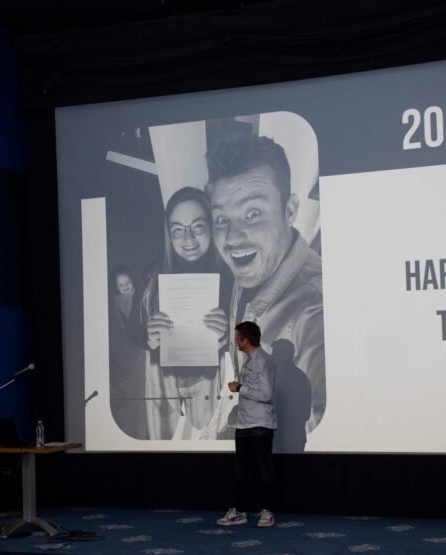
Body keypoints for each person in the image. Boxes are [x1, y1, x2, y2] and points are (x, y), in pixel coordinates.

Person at [206, 133, 325, 434]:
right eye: (221, 219)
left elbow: (322, 432)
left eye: (253, 214)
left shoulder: (315, 310)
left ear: (289, 211)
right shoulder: (250, 272)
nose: (232, 238)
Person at [131, 186, 231, 439]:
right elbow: (133, 328)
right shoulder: (152, 274)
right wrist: (148, 336)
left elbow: (256, 333)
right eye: (178, 229)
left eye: (198, 227)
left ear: (211, 226)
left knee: (214, 444)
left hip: (215, 382)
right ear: (169, 233)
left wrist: (229, 335)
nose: (188, 239)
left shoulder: (232, 275)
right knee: (167, 454)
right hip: (163, 381)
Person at [218, 321, 277, 527]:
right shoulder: (248, 359)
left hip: (260, 423)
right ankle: (239, 511)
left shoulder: (263, 361)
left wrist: (239, 388)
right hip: (244, 423)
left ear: (245, 339)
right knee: (241, 470)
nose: (236, 342)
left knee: (263, 469)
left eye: (238, 338)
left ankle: (267, 511)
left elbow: (266, 394)